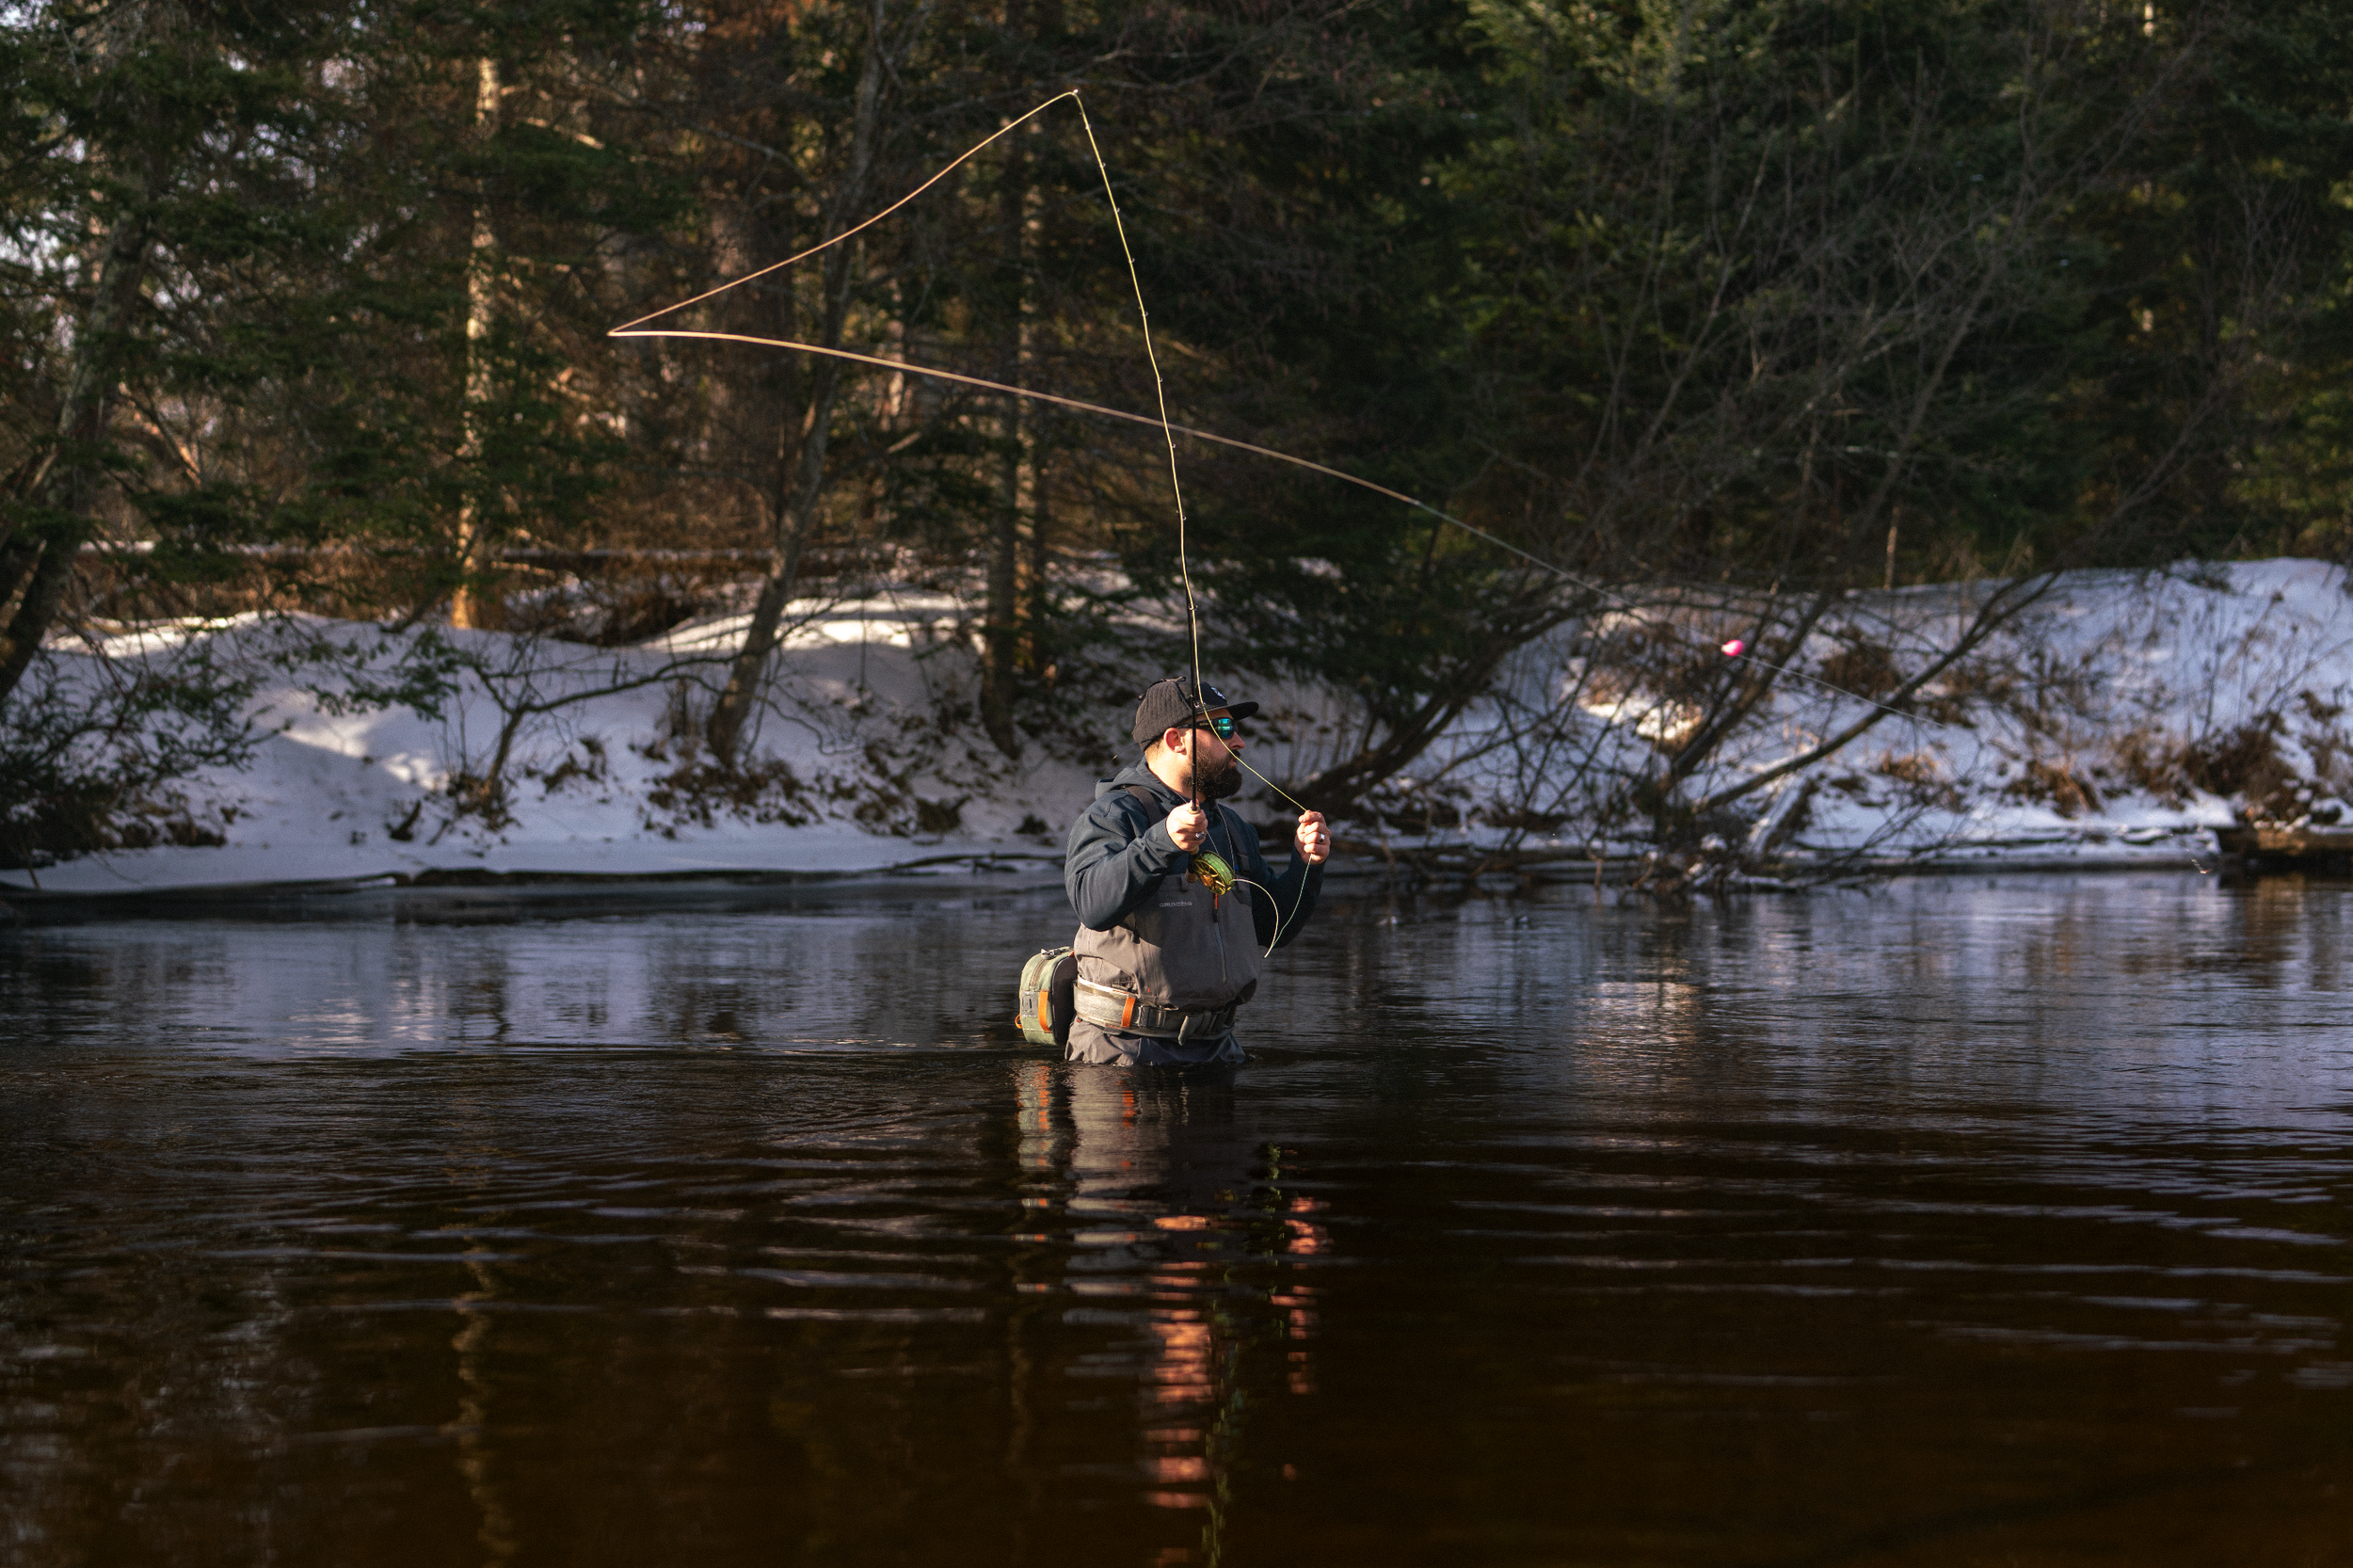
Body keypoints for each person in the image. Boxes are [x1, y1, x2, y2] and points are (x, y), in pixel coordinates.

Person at [1062, 675, 1331, 1065]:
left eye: (1236, 729)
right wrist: (1161, 842)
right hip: (1123, 1053)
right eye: (1222, 728)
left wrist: (1306, 866)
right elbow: (1092, 905)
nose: (1239, 742)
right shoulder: (1112, 815)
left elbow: (1275, 929)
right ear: (1176, 740)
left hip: (1217, 1049)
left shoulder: (1233, 828)